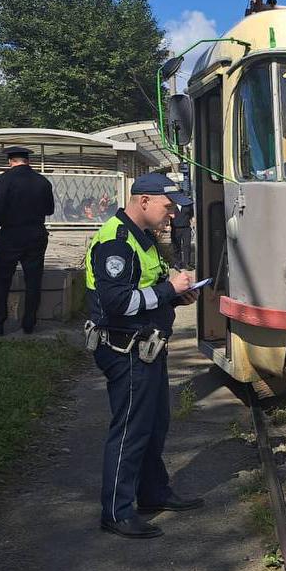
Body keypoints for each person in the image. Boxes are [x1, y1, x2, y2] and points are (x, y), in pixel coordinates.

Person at [85, 173, 202, 539]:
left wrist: (177, 292)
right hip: (126, 349)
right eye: (168, 207)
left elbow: (148, 285)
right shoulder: (116, 243)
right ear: (144, 201)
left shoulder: (142, 238)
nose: (172, 215)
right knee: (130, 431)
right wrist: (169, 290)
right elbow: (119, 303)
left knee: (153, 425)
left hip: (146, 346)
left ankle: (152, 492)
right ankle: (117, 512)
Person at [0, 146, 55, 336]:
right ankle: (29, 324)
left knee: (0, 280)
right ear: (27, 160)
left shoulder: (4, 180)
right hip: (36, 234)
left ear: (10, 161)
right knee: (33, 280)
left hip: (10, 235)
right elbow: (49, 210)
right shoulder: (42, 181)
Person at [170, 198, 194, 270]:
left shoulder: (187, 205)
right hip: (175, 228)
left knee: (187, 246)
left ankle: (187, 263)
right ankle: (178, 263)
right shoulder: (172, 205)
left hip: (186, 228)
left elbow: (191, 214)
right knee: (176, 246)